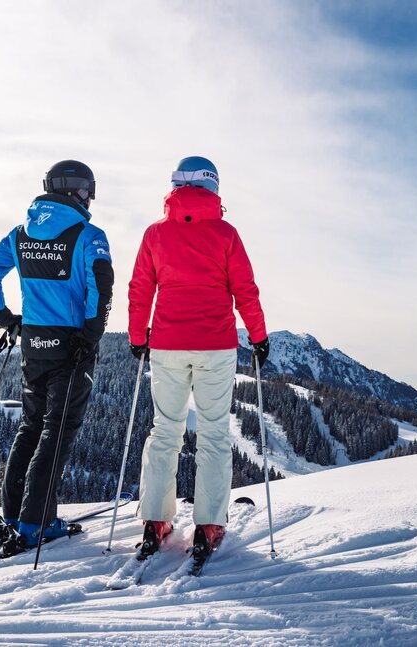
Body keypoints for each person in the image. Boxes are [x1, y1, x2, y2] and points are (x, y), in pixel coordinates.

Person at [128, 155, 270, 558]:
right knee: (212, 435)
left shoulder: (156, 234)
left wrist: (139, 337)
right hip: (216, 344)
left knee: (165, 430)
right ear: (213, 188)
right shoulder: (225, 234)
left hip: (168, 344)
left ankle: (156, 519)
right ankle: (208, 524)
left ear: (176, 186)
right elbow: (246, 290)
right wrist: (258, 337)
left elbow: (140, 289)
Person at [0, 160, 113, 551]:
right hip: (72, 344)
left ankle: (15, 516)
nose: (91, 197)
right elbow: (101, 285)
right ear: (77, 190)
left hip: (33, 344)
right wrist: (91, 334)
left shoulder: (21, 234)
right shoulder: (89, 234)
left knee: (31, 427)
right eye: (89, 190)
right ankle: (37, 524)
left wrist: (5, 319)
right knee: (57, 431)